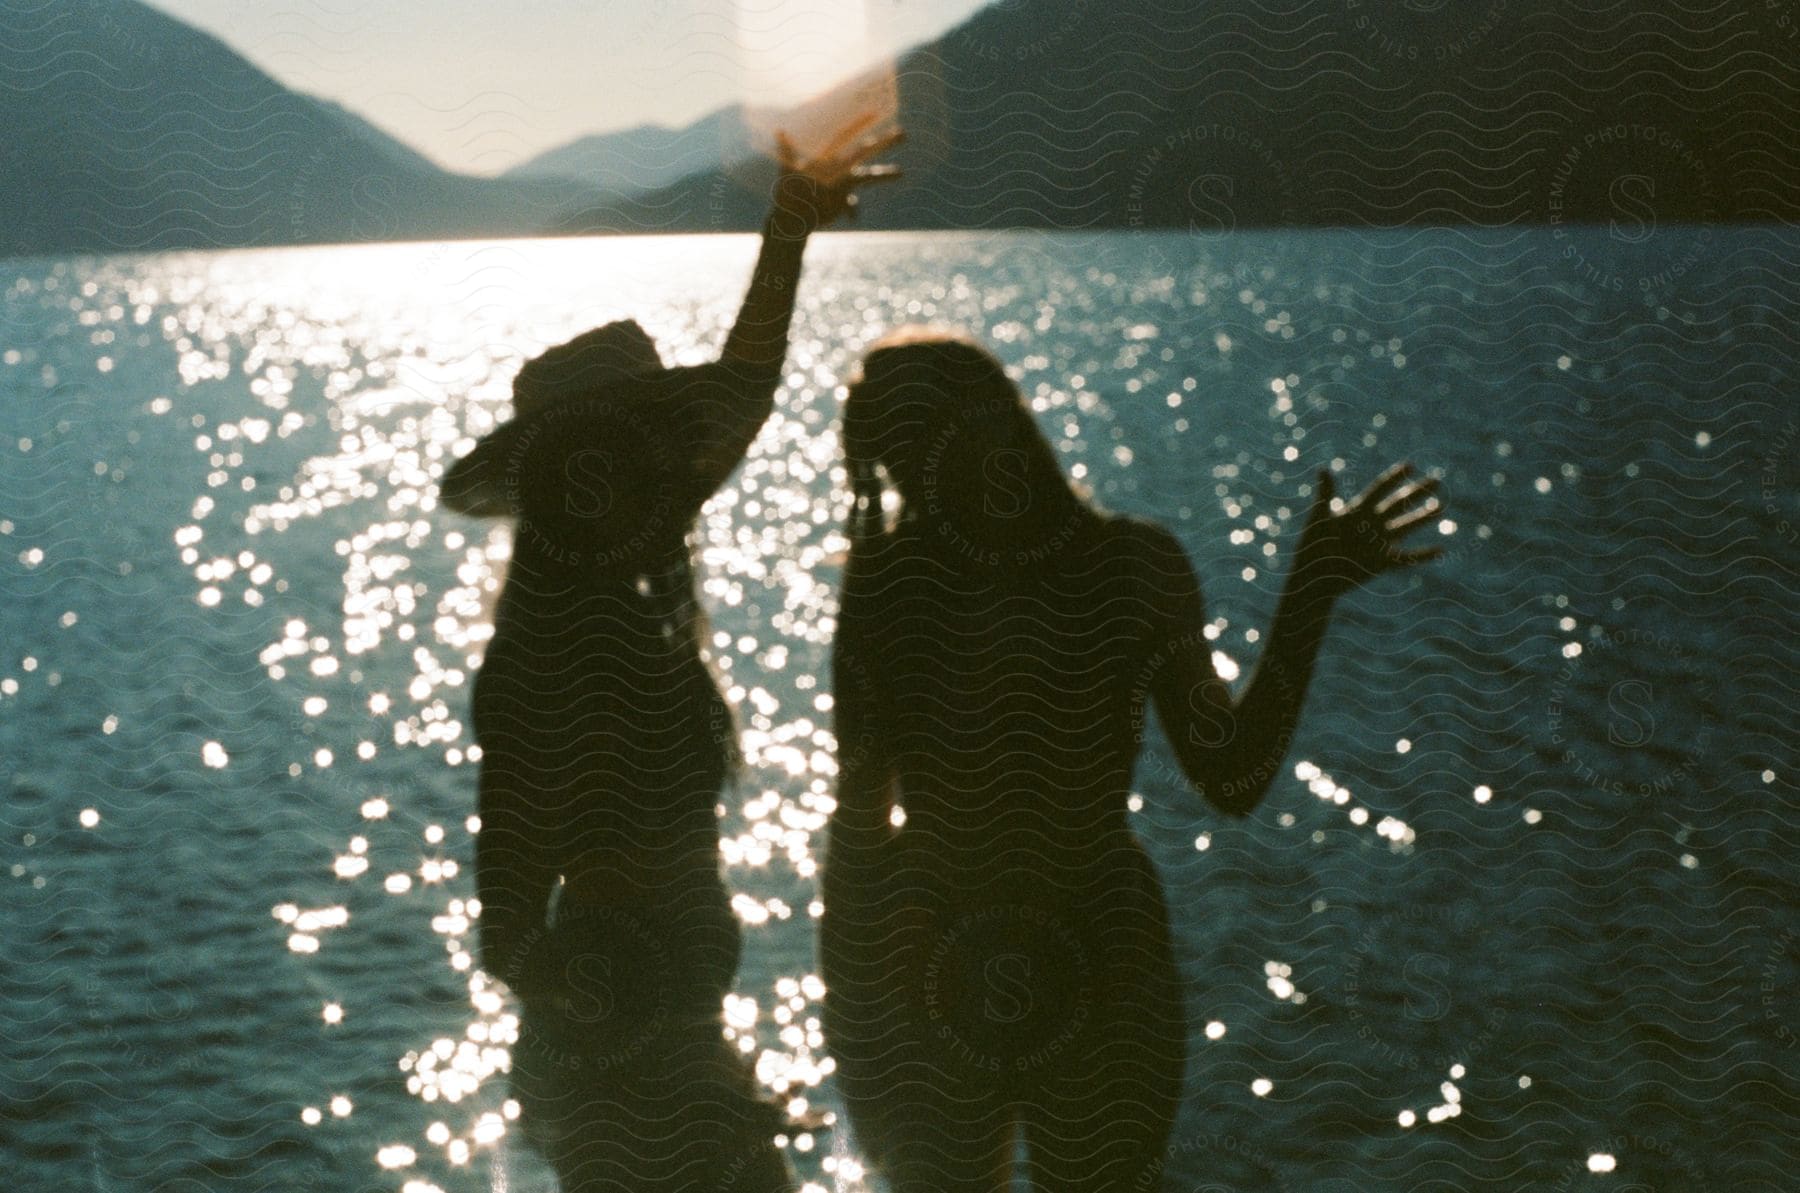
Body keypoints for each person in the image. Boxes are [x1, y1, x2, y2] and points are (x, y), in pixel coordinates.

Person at [820, 328, 1444, 1192]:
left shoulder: (889, 589)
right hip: (1098, 939)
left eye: (897, 452)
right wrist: (1310, 593)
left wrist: (849, 998)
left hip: (937, 948)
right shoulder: (1127, 565)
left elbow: (858, 821)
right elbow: (1230, 778)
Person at [438, 115, 900, 1192]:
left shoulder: (623, 606)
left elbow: (743, 391)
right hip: (631, 1073)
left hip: (665, 1049)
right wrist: (654, 1065)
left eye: (650, 464)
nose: (661, 482)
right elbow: (509, 933)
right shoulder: (547, 658)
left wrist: (788, 237)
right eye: (619, 466)